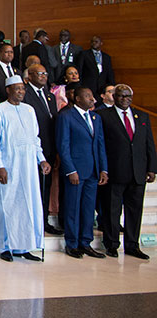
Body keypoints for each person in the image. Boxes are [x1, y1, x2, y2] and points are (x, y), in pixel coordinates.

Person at [0, 75, 51, 262]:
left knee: (28, 204)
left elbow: (35, 138)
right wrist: (0, 166)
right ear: (8, 90)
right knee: (7, 205)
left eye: (23, 89)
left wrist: (42, 160)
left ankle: (23, 246)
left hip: (28, 166)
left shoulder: (29, 110)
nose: (21, 92)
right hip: (8, 165)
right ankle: (5, 246)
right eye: (17, 89)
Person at [97, 84, 156, 259]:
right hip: (115, 171)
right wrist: (103, 169)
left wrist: (152, 168)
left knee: (135, 211)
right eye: (121, 96)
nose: (125, 99)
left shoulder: (142, 116)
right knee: (112, 210)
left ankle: (132, 245)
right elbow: (101, 145)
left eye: (128, 96)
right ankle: (112, 244)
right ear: (114, 97)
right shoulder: (103, 116)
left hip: (137, 172)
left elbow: (149, 144)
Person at [57, 87, 108, 259]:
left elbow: (100, 144)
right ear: (78, 99)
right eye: (87, 96)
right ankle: (72, 244)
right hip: (75, 171)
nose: (92, 99)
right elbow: (63, 146)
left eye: (92, 96)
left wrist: (103, 168)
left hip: (92, 171)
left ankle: (85, 243)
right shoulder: (66, 116)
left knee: (88, 209)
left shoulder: (96, 117)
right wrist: (70, 169)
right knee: (72, 208)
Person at [22, 64, 61, 234]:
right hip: (31, 149)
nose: (44, 76)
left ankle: (43, 221)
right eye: (40, 73)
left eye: (45, 73)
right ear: (29, 75)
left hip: (49, 148)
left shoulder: (50, 96)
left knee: (45, 187)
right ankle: (31, 221)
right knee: (32, 187)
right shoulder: (24, 94)